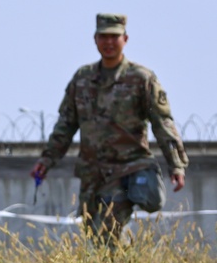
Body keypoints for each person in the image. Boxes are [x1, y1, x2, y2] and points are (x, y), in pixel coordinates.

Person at [30, 13, 188, 245]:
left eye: (114, 37)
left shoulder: (141, 79)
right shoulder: (82, 79)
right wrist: (47, 160)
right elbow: (66, 124)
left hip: (126, 170)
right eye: (104, 36)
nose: (109, 42)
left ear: (125, 38)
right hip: (91, 173)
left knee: (107, 230)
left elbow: (162, 122)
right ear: (95, 39)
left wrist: (176, 163)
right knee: (92, 231)